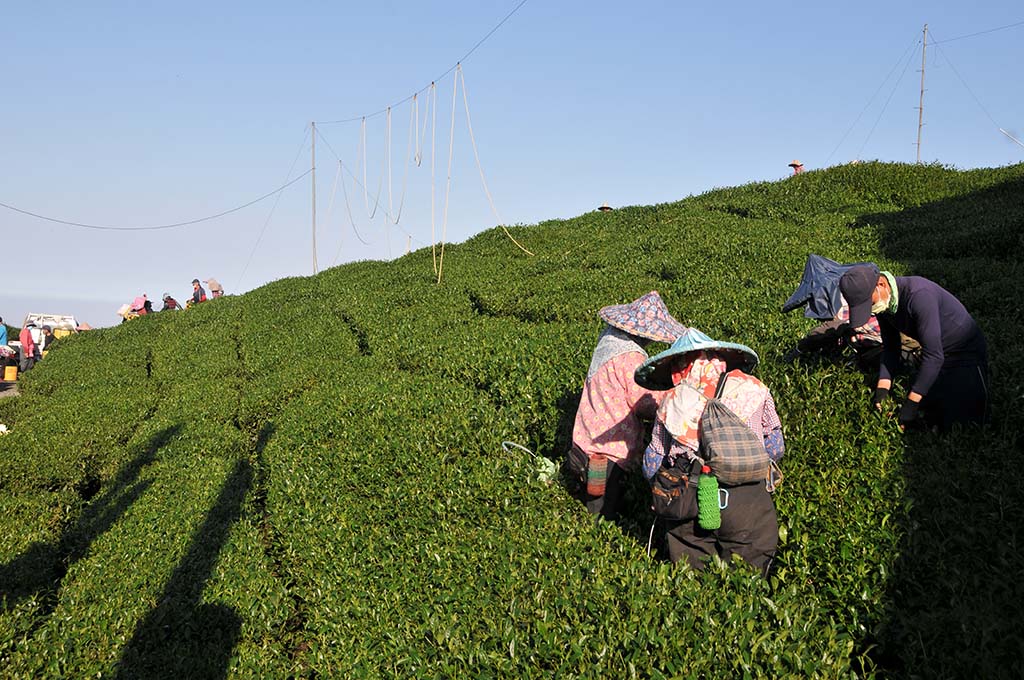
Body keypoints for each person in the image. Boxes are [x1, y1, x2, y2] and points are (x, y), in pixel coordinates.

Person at [636, 328, 784, 574]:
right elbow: (776, 447)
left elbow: (651, 464)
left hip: (688, 499)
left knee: (694, 583)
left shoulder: (671, 401)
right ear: (718, 358)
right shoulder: (754, 389)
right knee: (749, 581)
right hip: (747, 500)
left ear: (678, 368)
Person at [567, 291, 688, 521]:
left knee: (591, 504)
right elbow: (643, 402)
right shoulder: (630, 357)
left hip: (586, 440)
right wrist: (673, 397)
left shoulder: (608, 341)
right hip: (611, 452)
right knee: (605, 511)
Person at [840, 264, 989, 430]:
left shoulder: (919, 296)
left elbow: (934, 356)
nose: (871, 310)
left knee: (961, 423)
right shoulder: (885, 306)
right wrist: (882, 389)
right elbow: (891, 347)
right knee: (928, 410)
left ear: (881, 284)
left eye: (870, 303)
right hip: (938, 354)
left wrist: (911, 404)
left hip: (965, 352)